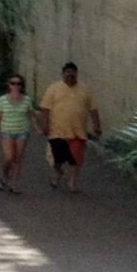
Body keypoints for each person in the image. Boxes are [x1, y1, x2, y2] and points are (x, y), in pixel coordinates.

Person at [37, 61, 100, 193]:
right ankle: (57, 173)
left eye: (73, 72)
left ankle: (72, 182)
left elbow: (93, 109)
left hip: (78, 132)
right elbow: (45, 108)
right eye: (67, 72)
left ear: (77, 74)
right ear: (63, 74)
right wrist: (45, 124)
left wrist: (96, 126)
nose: (70, 75)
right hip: (57, 131)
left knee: (75, 159)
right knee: (57, 159)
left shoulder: (85, 90)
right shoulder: (54, 88)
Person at [0, 73, 34, 194]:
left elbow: (31, 115)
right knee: (9, 157)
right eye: (13, 83)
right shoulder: (2, 100)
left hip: (22, 132)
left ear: (21, 86)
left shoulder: (27, 100)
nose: (15, 86)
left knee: (18, 158)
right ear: (9, 85)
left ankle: (14, 184)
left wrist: (38, 128)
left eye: (18, 83)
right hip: (7, 132)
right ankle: (4, 175)